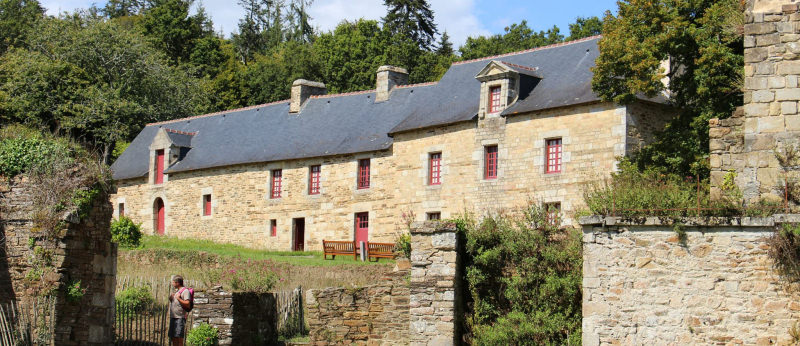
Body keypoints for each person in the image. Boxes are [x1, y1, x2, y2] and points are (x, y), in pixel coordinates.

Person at [168, 275, 191, 346]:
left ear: (177, 283)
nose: (172, 284)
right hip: (173, 317)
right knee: (173, 337)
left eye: (173, 282)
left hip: (180, 318)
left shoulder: (185, 291)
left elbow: (187, 303)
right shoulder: (177, 291)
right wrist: (171, 298)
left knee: (179, 338)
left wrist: (179, 299)